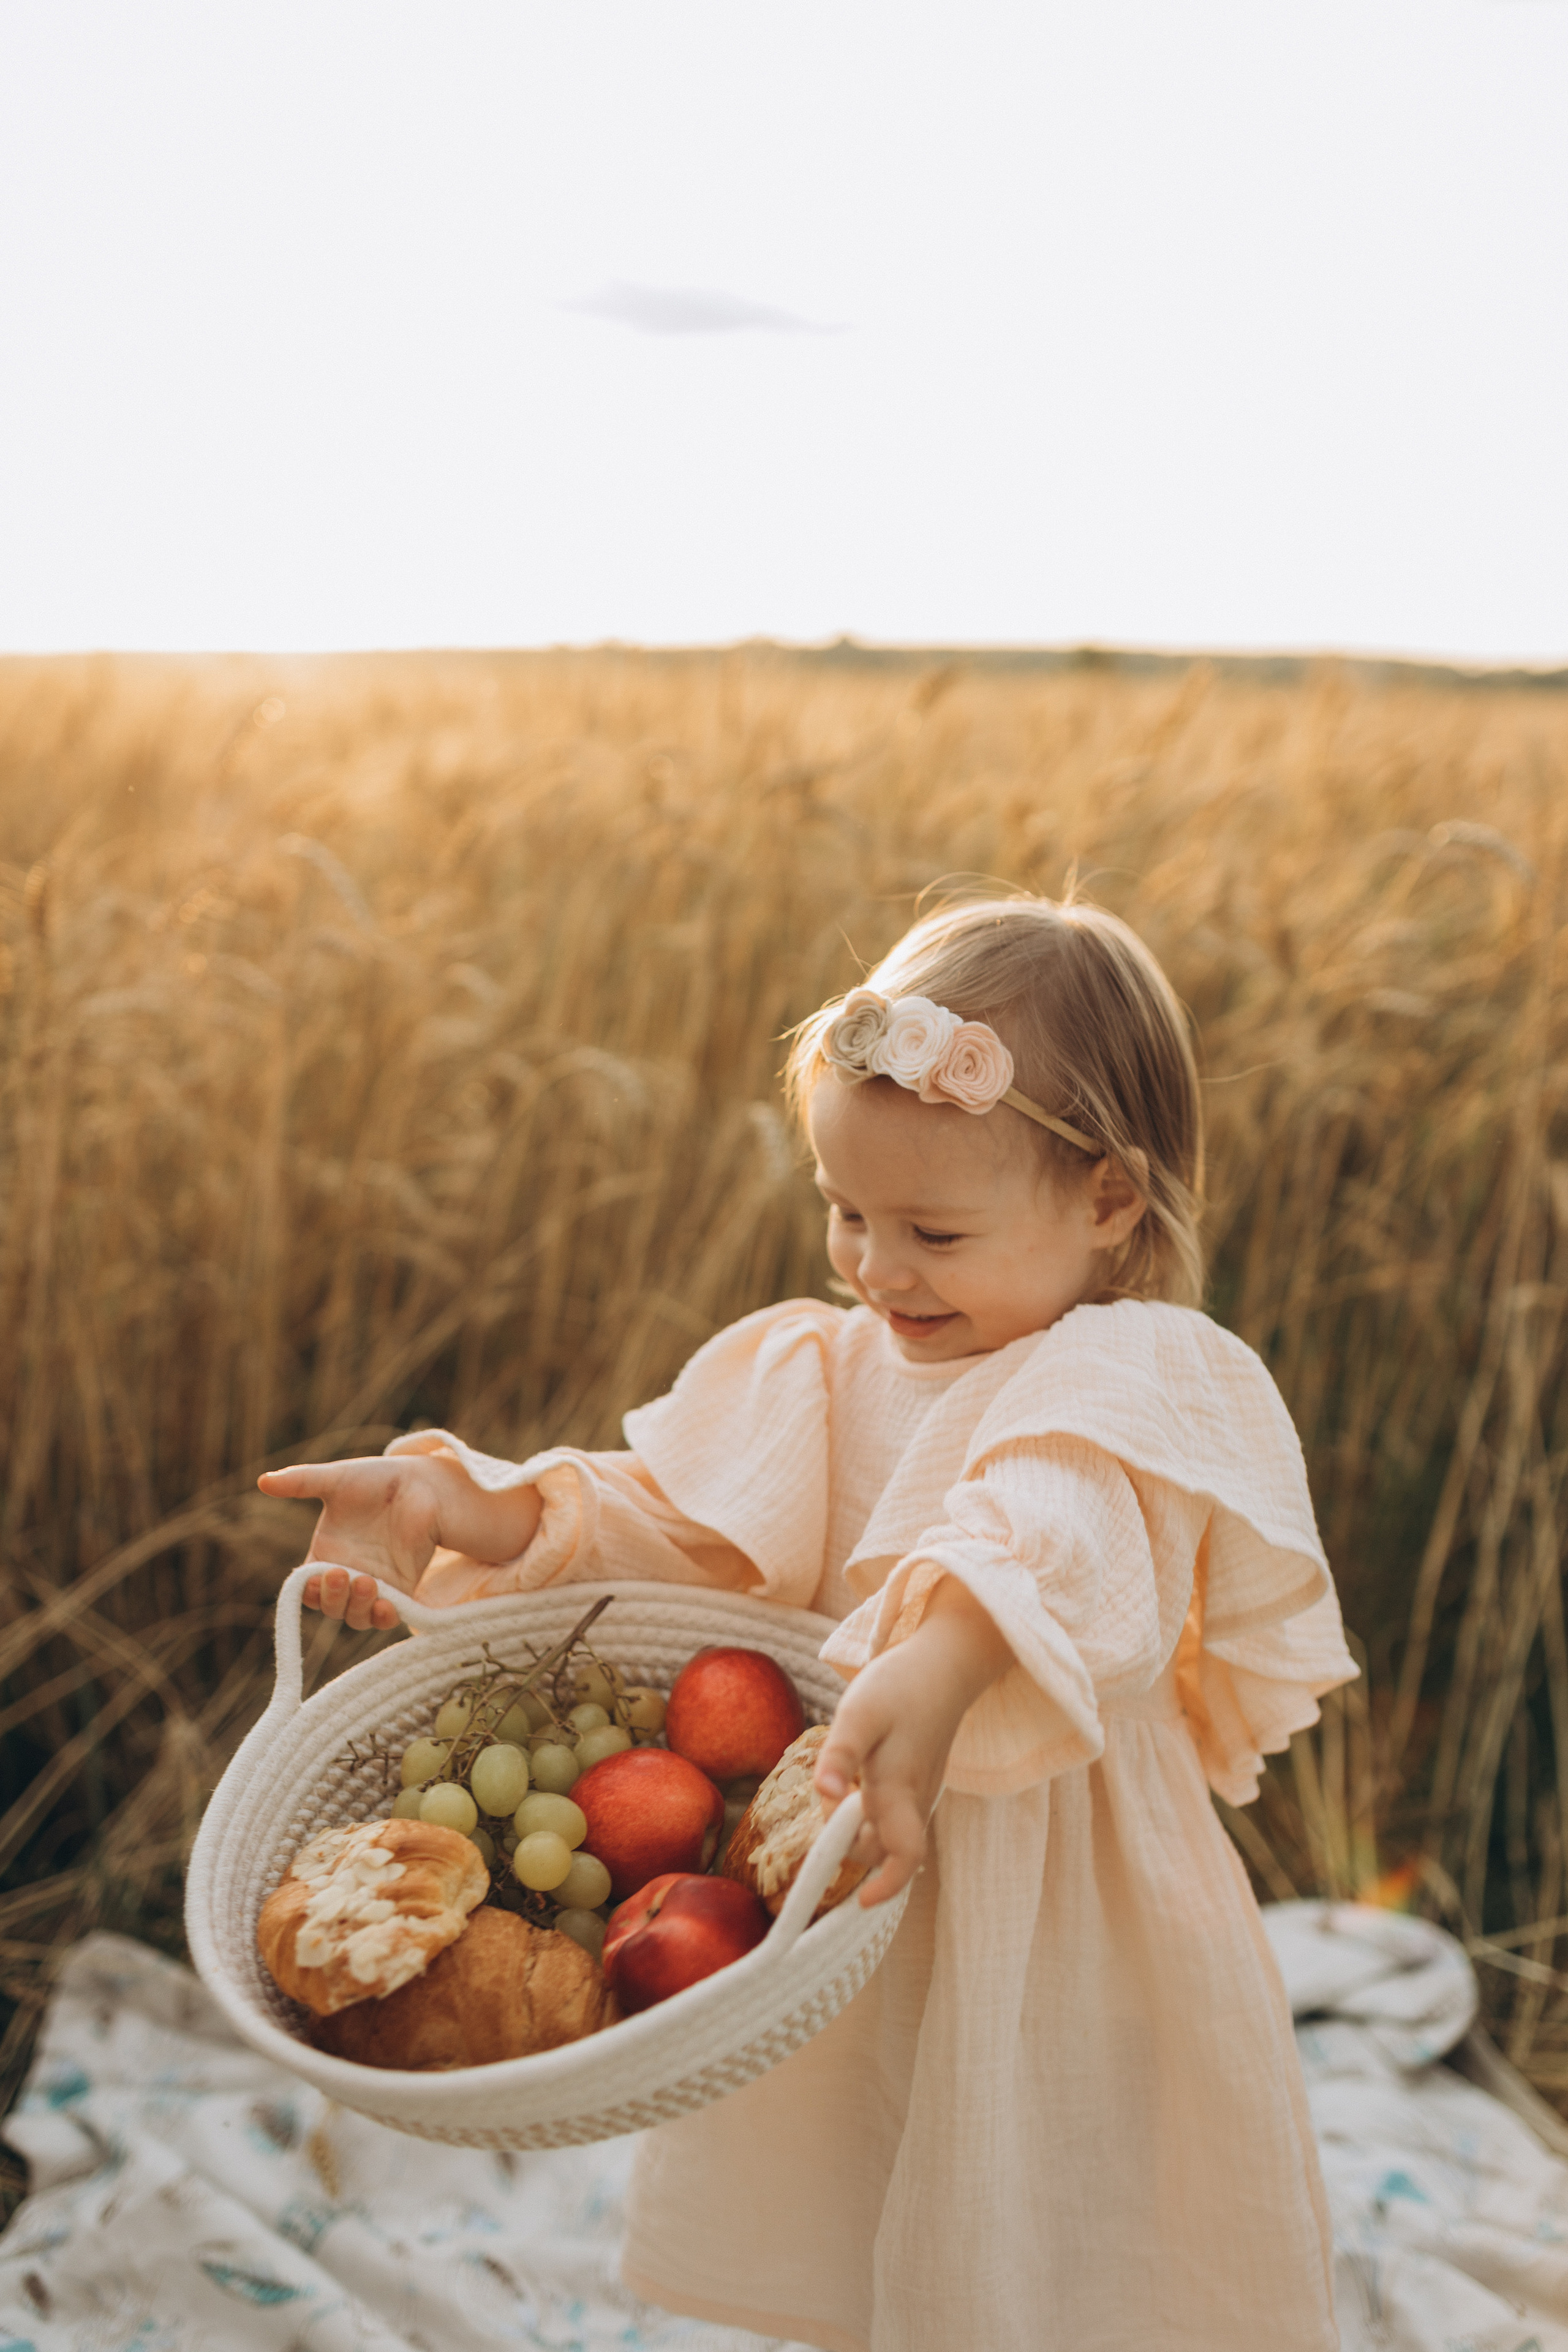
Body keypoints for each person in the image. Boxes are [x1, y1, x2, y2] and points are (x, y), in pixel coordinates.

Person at [261, 894, 1354, 2352]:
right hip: (842, 1867)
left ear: (1104, 1199)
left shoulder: (1133, 1377)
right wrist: (473, 1510)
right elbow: (681, 1529)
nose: (877, 1268)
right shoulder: (823, 1371)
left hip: (1058, 1903)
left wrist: (943, 1660)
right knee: (858, 2187)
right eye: (847, 1213)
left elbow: (1047, 1537)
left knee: (1058, 2204)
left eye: (933, 1229)